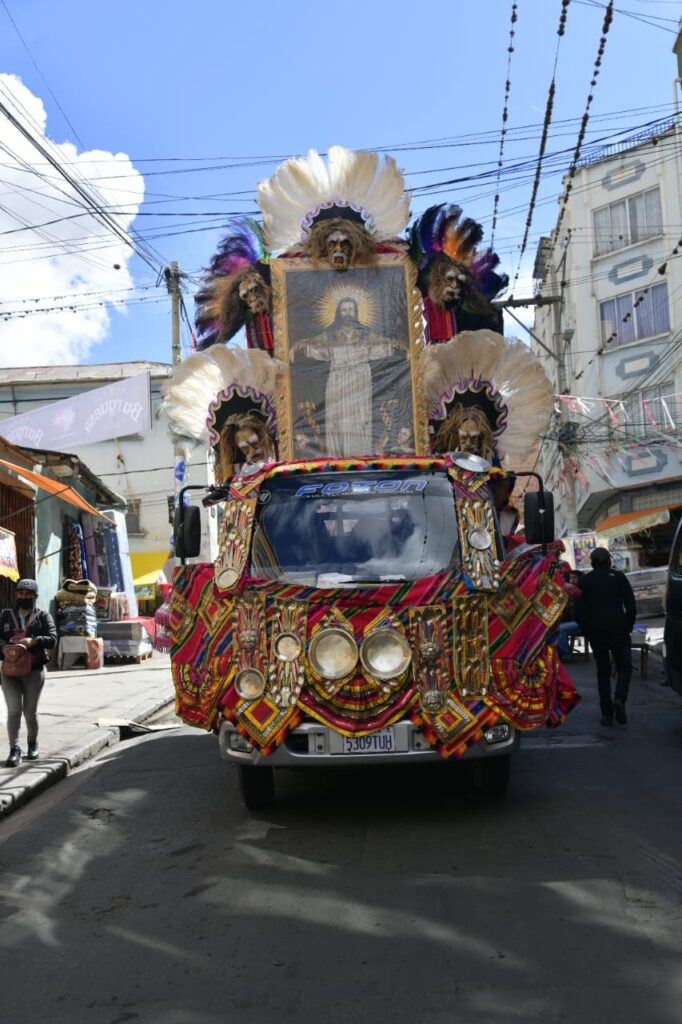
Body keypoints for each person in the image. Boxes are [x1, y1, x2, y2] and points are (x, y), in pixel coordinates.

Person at [291, 297, 405, 457]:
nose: (348, 313)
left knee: (360, 420)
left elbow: (382, 346)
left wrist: (398, 347)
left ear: (356, 312)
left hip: (360, 382)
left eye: (351, 309)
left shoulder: (366, 335)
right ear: (339, 313)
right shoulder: (329, 336)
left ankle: (361, 457)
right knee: (337, 420)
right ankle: (337, 457)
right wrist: (299, 347)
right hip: (337, 382)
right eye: (344, 310)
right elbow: (315, 346)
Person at [574, 548, 636, 727]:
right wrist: (627, 626)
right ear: (609, 561)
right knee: (625, 667)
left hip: (597, 632)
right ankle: (620, 698)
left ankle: (606, 715)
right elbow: (631, 606)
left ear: (593, 563)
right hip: (619, 630)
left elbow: (578, 612)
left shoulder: (584, 581)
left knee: (603, 672)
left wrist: (587, 630)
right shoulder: (618, 577)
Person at [0, 578, 57, 767]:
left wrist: (34, 641)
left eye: (28, 594)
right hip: (9, 671)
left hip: (34, 671)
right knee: (14, 711)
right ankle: (14, 749)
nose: (24, 596)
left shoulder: (43, 616)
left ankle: (32, 743)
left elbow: (53, 639)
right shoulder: (5, 615)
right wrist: (5, 647)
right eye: (21, 593)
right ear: (16, 594)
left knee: (30, 712)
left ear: (35, 596)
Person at [557, 569, 583, 663]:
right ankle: (560, 653)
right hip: (573, 621)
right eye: (570, 578)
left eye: (574, 578)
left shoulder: (582, 591)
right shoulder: (569, 591)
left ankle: (566, 655)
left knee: (561, 628)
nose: (572, 580)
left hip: (582, 623)